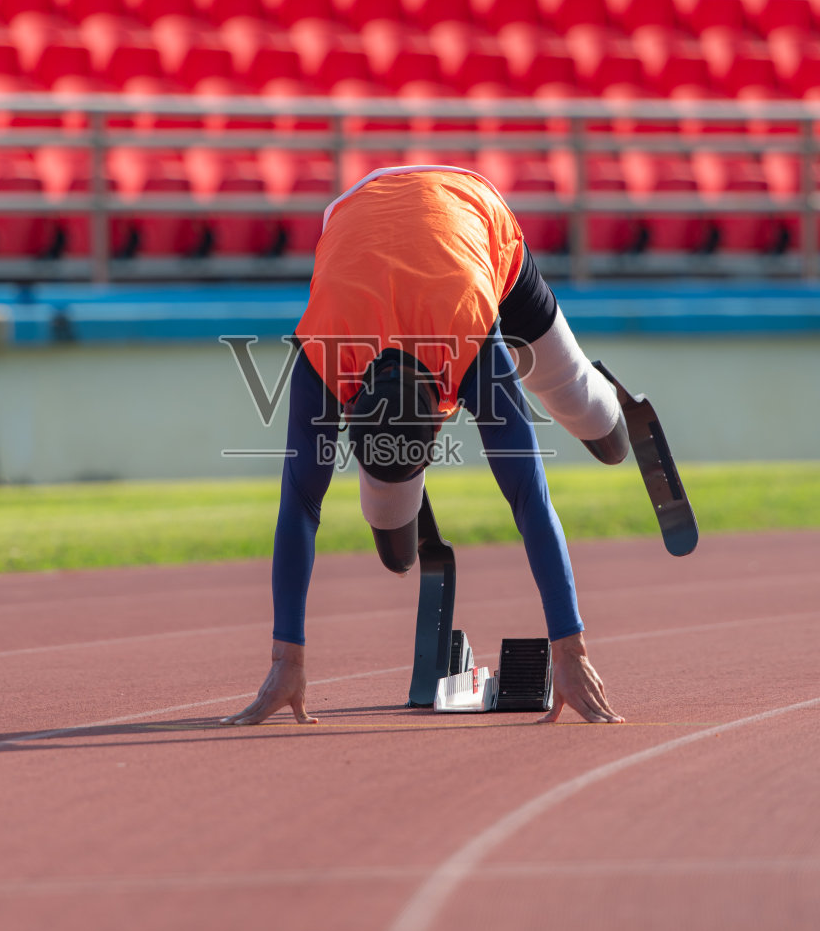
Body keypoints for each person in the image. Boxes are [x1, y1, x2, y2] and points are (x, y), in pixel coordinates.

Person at [222, 165, 630, 726]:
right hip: (359, 212)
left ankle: (617, 412)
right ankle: (395, 512)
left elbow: (529, 496)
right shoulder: (324, 350)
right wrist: (283, 657)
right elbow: (301, 507)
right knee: (395, 548)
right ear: (350, 401)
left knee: (581, 406)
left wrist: (571, 648)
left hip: (475, 219)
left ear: (443, 416)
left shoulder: (472, 342)